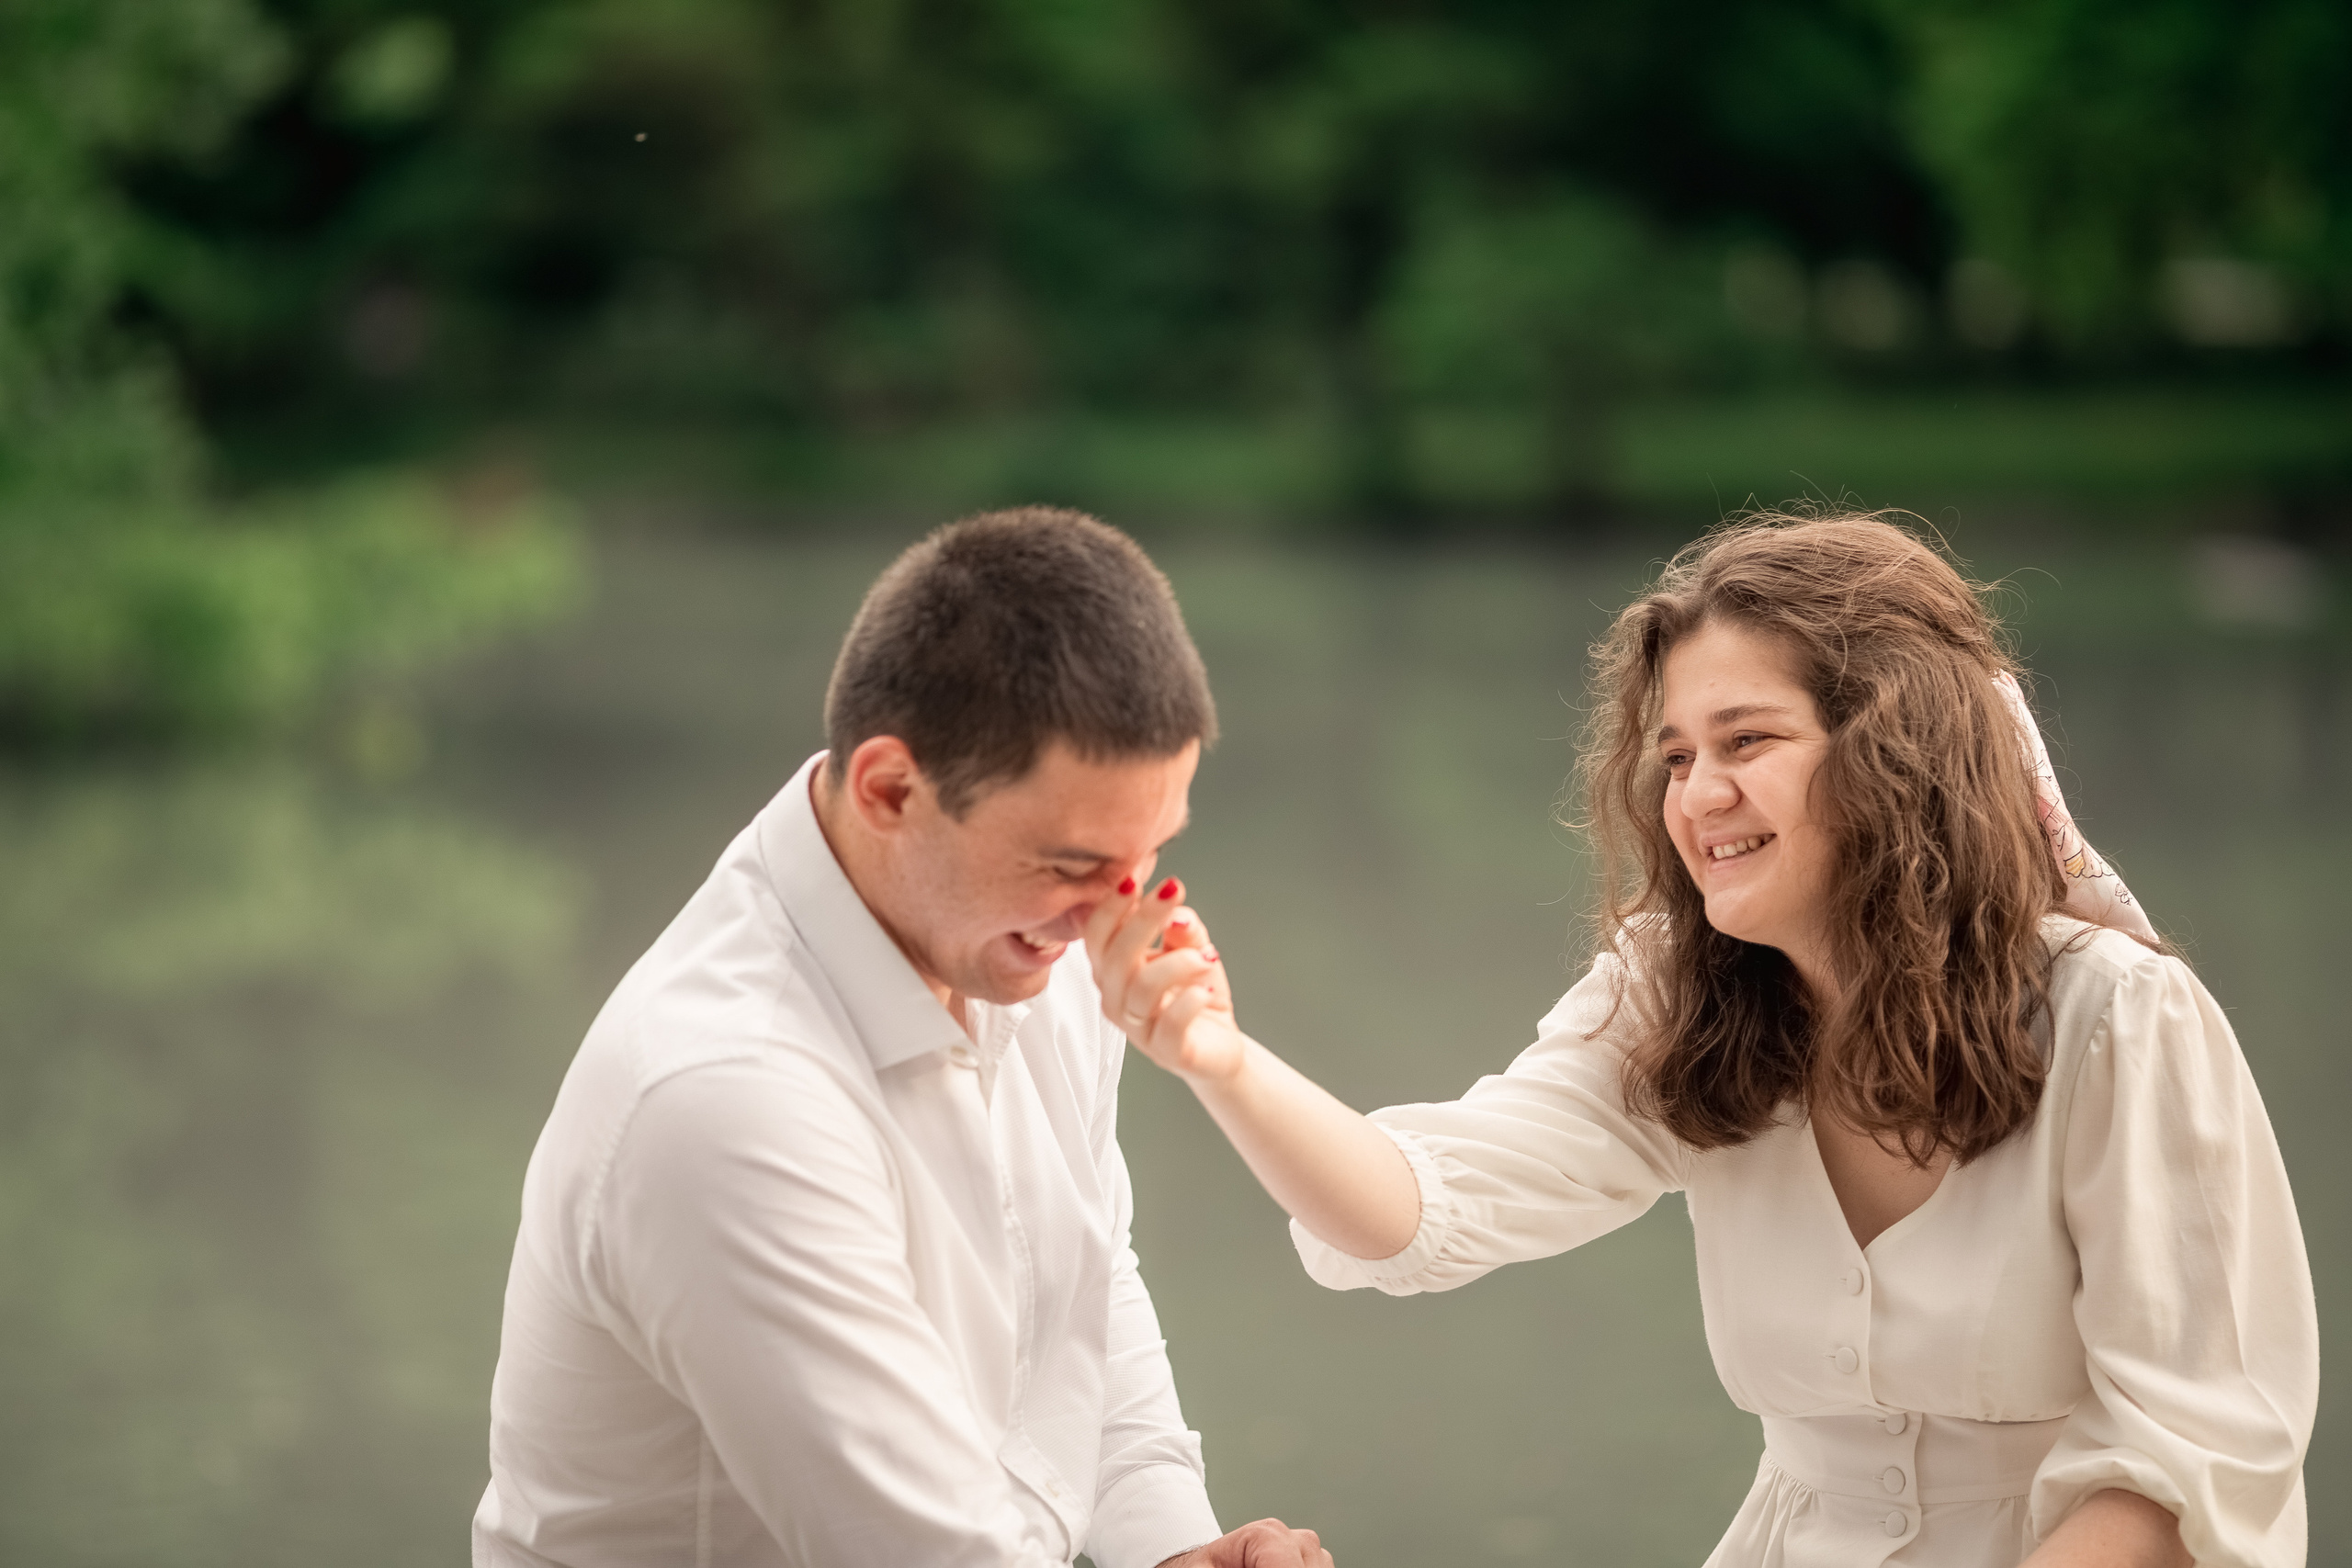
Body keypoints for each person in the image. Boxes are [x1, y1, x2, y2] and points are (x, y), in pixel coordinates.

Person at [1088, 514, 2316, 1567]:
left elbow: (2186, 1459)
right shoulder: (1681, 993)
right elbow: (1411, 1207)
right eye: (1676, 754)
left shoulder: (2117, 1018)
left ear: (1894, 752)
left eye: (1747, 741)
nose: (1695, 794)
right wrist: (1217, 1055)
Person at [473, 508, 1334, 1568]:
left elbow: (1084, 1286)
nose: (1119, 915)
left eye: (1148, 854)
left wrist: (1171, 1548)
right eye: (1071, 864)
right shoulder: (723, 1098)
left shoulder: (1026, 942)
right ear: (890, 790)